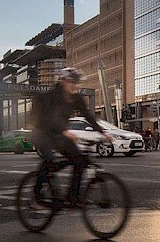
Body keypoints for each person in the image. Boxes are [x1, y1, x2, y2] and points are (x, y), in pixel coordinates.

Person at [30, 68, 110, 206]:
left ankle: (73, 197)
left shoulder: (76, 98)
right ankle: (38, 191)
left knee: (79, 159)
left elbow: (88, 116)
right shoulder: (52, 96)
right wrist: (64, 131)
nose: (75, 85)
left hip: (58, 133)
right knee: (52, 160)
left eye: (77, 83)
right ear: (63, 82)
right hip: (42, 131)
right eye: (71, 82)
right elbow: (50, 117)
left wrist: (102, 132)